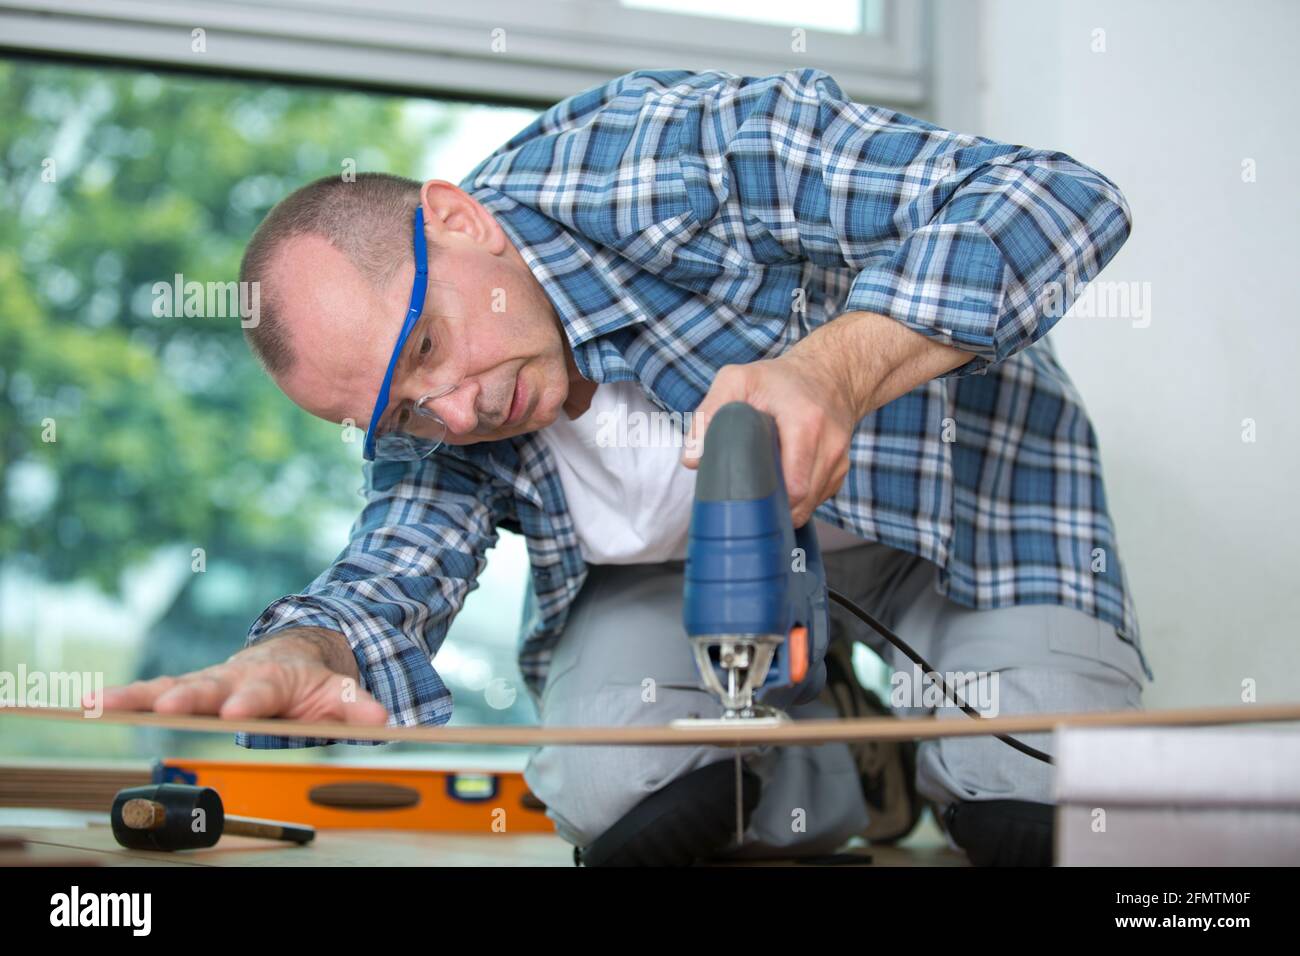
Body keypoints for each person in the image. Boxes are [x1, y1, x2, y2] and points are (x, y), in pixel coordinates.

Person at [95, 69, 1152, 866]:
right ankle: (829, 756)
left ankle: (934, 739)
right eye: (404, 408)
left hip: (961, 508)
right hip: (687, 567)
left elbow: (1053, 196)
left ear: (458, 221)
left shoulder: (665, 155)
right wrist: (312, 647)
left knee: (1038, 799)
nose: (457, 411)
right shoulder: (442, 412)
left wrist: (832, 372)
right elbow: (396, 564)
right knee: (623, 795)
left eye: (428, 346)